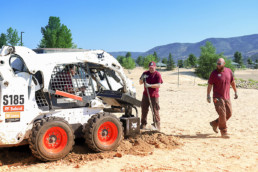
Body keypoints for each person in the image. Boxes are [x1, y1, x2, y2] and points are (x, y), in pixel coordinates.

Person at [207, 58, 238, 138]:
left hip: (227, 97)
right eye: (217, 64)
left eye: (219, 64)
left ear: (224, 63)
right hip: (217, 97)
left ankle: (215, 123)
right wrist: (208, 95)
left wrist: (235, 92)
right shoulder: (214, 73)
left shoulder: (229, 71)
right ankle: (224, 131)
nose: (218, 65)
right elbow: (210, 85)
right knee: (222, 114)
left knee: (229, 113)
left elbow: (232, 82)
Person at [139, 61, 163, 131]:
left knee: (155, 110)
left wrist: (150, 85)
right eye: (150, 68)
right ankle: (143, 124)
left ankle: (157, 125)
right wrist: (142, 79)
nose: (151, 69)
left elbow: (158, 85)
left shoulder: (157, 74)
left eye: (152, 68)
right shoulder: (145, 73)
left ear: (155, 67)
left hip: (154, 96)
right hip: (145, 95)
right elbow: (140, 83)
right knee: (144, 110)